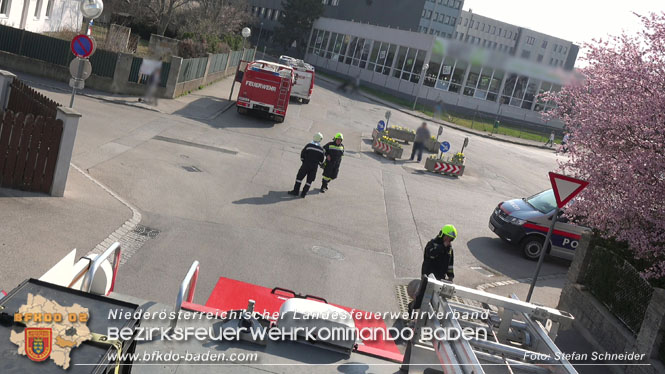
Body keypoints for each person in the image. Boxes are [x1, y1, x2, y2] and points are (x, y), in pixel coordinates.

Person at [408, 225, 457, 314]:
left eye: (451, 239)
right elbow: (430, 254)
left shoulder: (449, 249)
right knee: (422, 297)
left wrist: (450, 276)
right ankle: (412, 308)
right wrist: (442, 246)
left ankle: (426, 316)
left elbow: (450, 264)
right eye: (447, 237)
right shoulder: (432, 244)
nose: (448, 240)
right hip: (428, 276)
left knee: (435, 299)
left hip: (440, 278)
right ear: (442, 235)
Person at [288, 133, 325, 198]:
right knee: (309, 181)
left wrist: (304, 161)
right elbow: (321, 161)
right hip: (314, 167)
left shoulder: (309, 145)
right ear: (320, 140)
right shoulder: (321, 150)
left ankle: (295, 192)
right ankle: (303, 194)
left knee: (299, 178)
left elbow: (302, 154)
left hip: (305, 165)